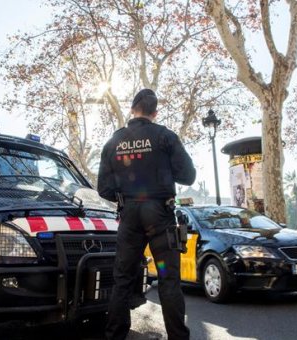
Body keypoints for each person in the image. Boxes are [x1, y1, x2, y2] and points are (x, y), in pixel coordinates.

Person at [98, 88, 195, 340]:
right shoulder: (165, 136)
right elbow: (188, 175)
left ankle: (114, 336)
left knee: (122, 279)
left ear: (132, 109)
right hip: (160, 214)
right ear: (155, 113)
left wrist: (126, 196)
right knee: (169, 280)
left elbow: (103, 188)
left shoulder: (113, 141)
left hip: (129, 215)